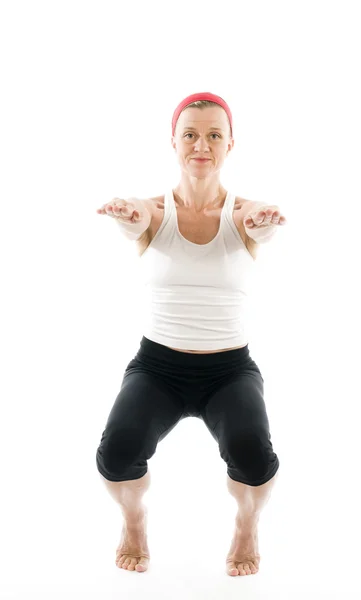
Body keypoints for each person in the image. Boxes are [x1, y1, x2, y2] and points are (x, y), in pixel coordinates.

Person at [95, 92, 287, 577]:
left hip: (229, 370)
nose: (202, 144)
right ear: (174, 142)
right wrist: (127, 215)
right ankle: (133, 521)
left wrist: (264, 224)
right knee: (117, 451)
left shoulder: (245, 213)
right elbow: (136, 216)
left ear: (230, 145)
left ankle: (248, 523)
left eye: (214, 135)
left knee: (254, 456)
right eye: (191, 134)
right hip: (158, 368)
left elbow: (257, 225)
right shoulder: (153, 213)